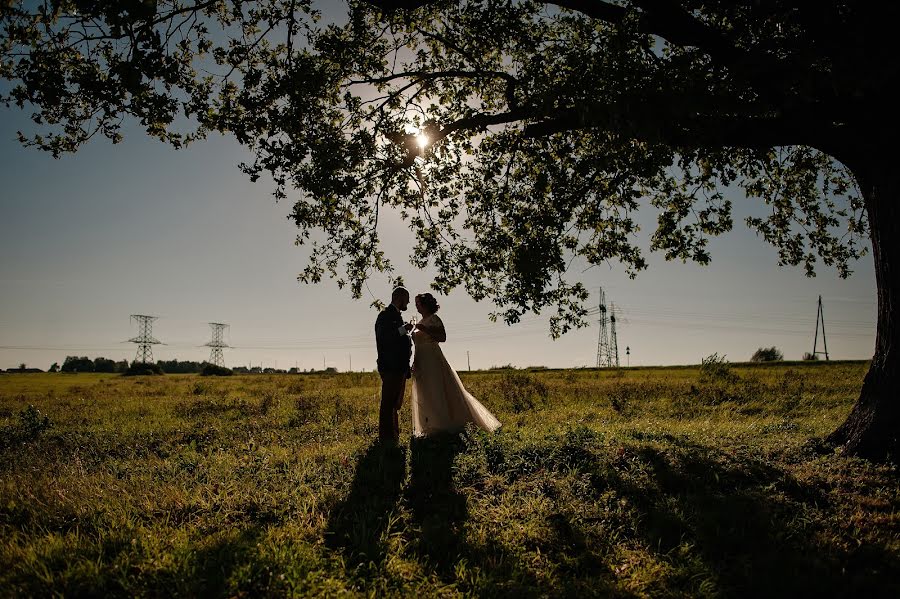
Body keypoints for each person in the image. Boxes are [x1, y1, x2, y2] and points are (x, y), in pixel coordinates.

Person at [410, 292, 501, 437]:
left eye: (418, 304)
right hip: (421, 358)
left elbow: (443, 337)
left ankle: (443, 425)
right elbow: (417, 344)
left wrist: (423, 328)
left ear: (425, 305)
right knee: (425, 391)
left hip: (433, 358)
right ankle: (430, 425)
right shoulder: (420, 321)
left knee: (436, 389)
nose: (416, 306)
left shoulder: (433, 319)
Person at [374, 287, 413, 442]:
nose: (408, 302)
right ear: (399, 297)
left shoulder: (396, 316)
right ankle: (386, 439)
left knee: (395, 404)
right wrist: (404, 329)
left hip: (400, 367)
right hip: (391, 367)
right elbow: (385, 338)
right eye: (407, 298)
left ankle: (393, 436)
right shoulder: (385, 316)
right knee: (388, 403)